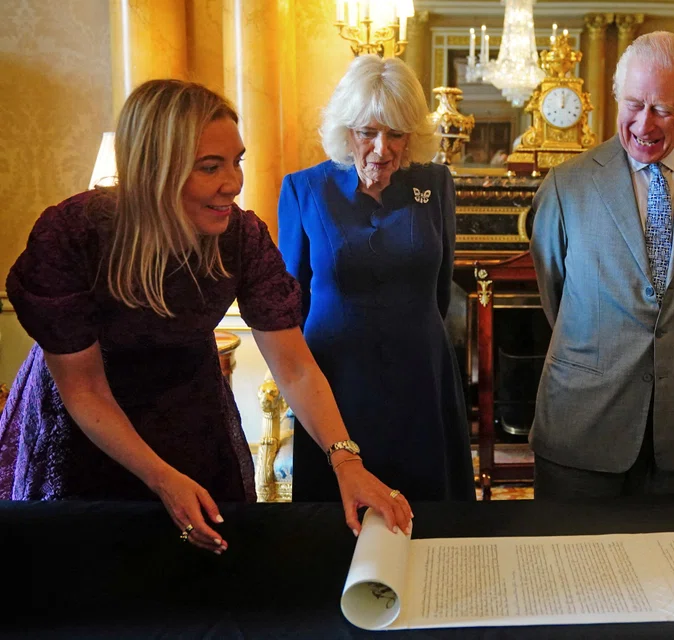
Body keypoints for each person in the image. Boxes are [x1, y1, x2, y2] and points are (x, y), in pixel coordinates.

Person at [0, 79, 412, 553]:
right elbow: (86, 390)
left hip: (190, 412)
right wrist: (161, 479)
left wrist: (346, 462)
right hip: (85, 426)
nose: (234, 183)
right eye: (210, 167)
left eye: (236, 161)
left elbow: (296, 367)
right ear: (154, 170)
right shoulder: (72, 237)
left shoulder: (242, 238)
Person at [529, 31, 674, 499]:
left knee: (658, 568)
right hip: (581, 423)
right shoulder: (567, 186)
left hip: (672, 428)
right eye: (633, 104)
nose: (644, 124)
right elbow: (554, 293)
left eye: (663, 109)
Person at [277, 55, 474, 502]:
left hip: (421, 377)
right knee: (336, 522)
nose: (382, 149)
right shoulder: (304, 189)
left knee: (429, 513)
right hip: (336, 383)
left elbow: (440, 288)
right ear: (347, 131)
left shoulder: (436, 183)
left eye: (396, 134)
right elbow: (290, 304)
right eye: (367, 132)